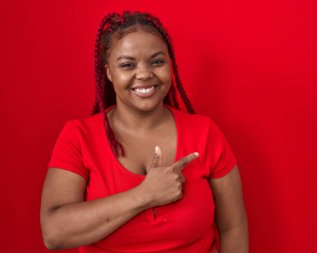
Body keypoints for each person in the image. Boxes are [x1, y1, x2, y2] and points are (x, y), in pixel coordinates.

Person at [40, 11, 249, 253]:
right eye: (127, 65)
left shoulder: (205, 133)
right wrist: (146, 195)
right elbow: (54, 233)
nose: (144, 74)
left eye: (157, 61)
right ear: (108, 72)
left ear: (170, 65)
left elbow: (233, 227)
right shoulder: (78, 136)